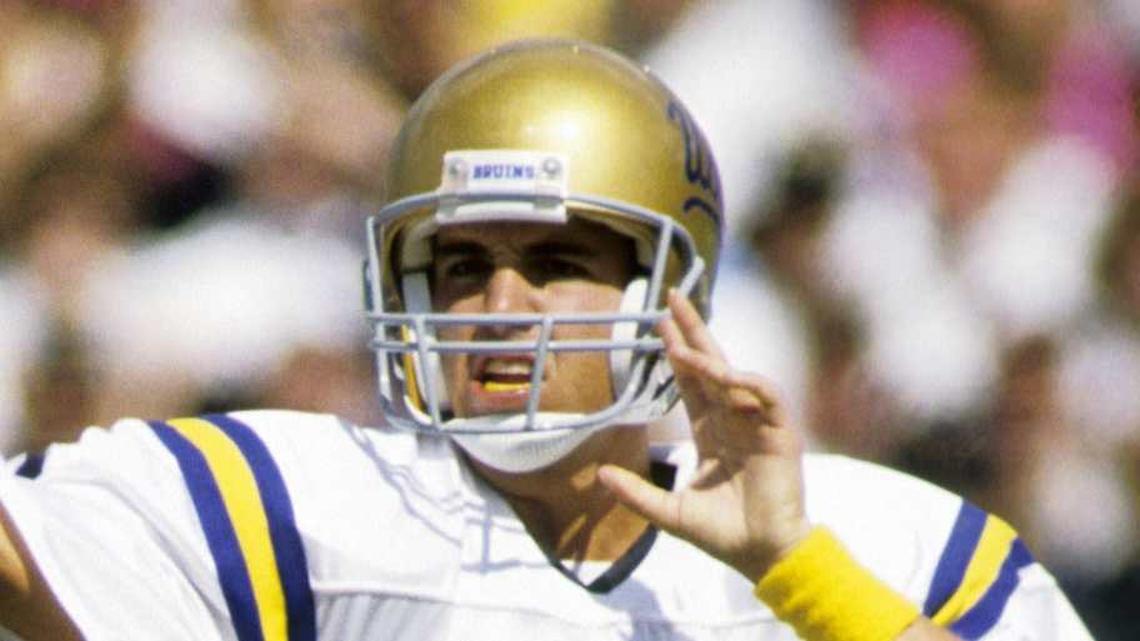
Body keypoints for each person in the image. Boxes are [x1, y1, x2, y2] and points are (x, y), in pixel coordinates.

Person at [0, 39, 1092, 641]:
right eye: (463, 265)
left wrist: (799, 575)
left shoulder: (881, 543)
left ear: (673, 290)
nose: (501, 304)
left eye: (559, 263)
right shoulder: (298, 503)